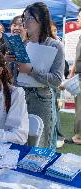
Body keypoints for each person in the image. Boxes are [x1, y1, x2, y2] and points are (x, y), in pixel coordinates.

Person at [17, 2, 65, 148]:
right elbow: (15, 75)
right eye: (24, 18)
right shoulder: (22, 44)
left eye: (30, 18)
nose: (26, 22)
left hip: (42, 98)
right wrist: (8, 62)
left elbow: (57, 80)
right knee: (21, 139)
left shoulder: (55, 45)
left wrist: (31, 71)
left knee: (41, 144)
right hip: (20, 97)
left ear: (42, 20)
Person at [65, 8, 81, 145]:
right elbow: (77, 58)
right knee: (78, 105)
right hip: (78, 76)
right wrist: (71, 73)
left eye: (80, 16)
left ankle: (79, 137)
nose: (77, 19)